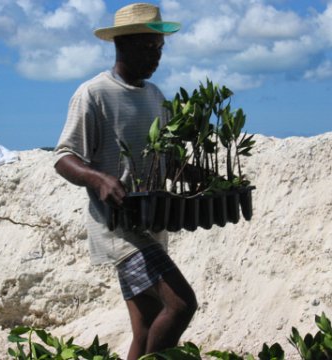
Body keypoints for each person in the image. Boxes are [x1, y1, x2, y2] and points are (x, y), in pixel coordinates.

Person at [54, 3, 197, 359]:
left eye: (159, 48)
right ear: (122, 45)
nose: (156, 56)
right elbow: (63, 157)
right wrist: (98, 178)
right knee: (181, 305)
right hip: (118, 227)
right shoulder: (94, 94)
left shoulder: (155, 96)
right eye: (148, 48)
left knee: (146, 327)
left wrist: (197, 174)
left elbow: (165, 159)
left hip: (150, 224)